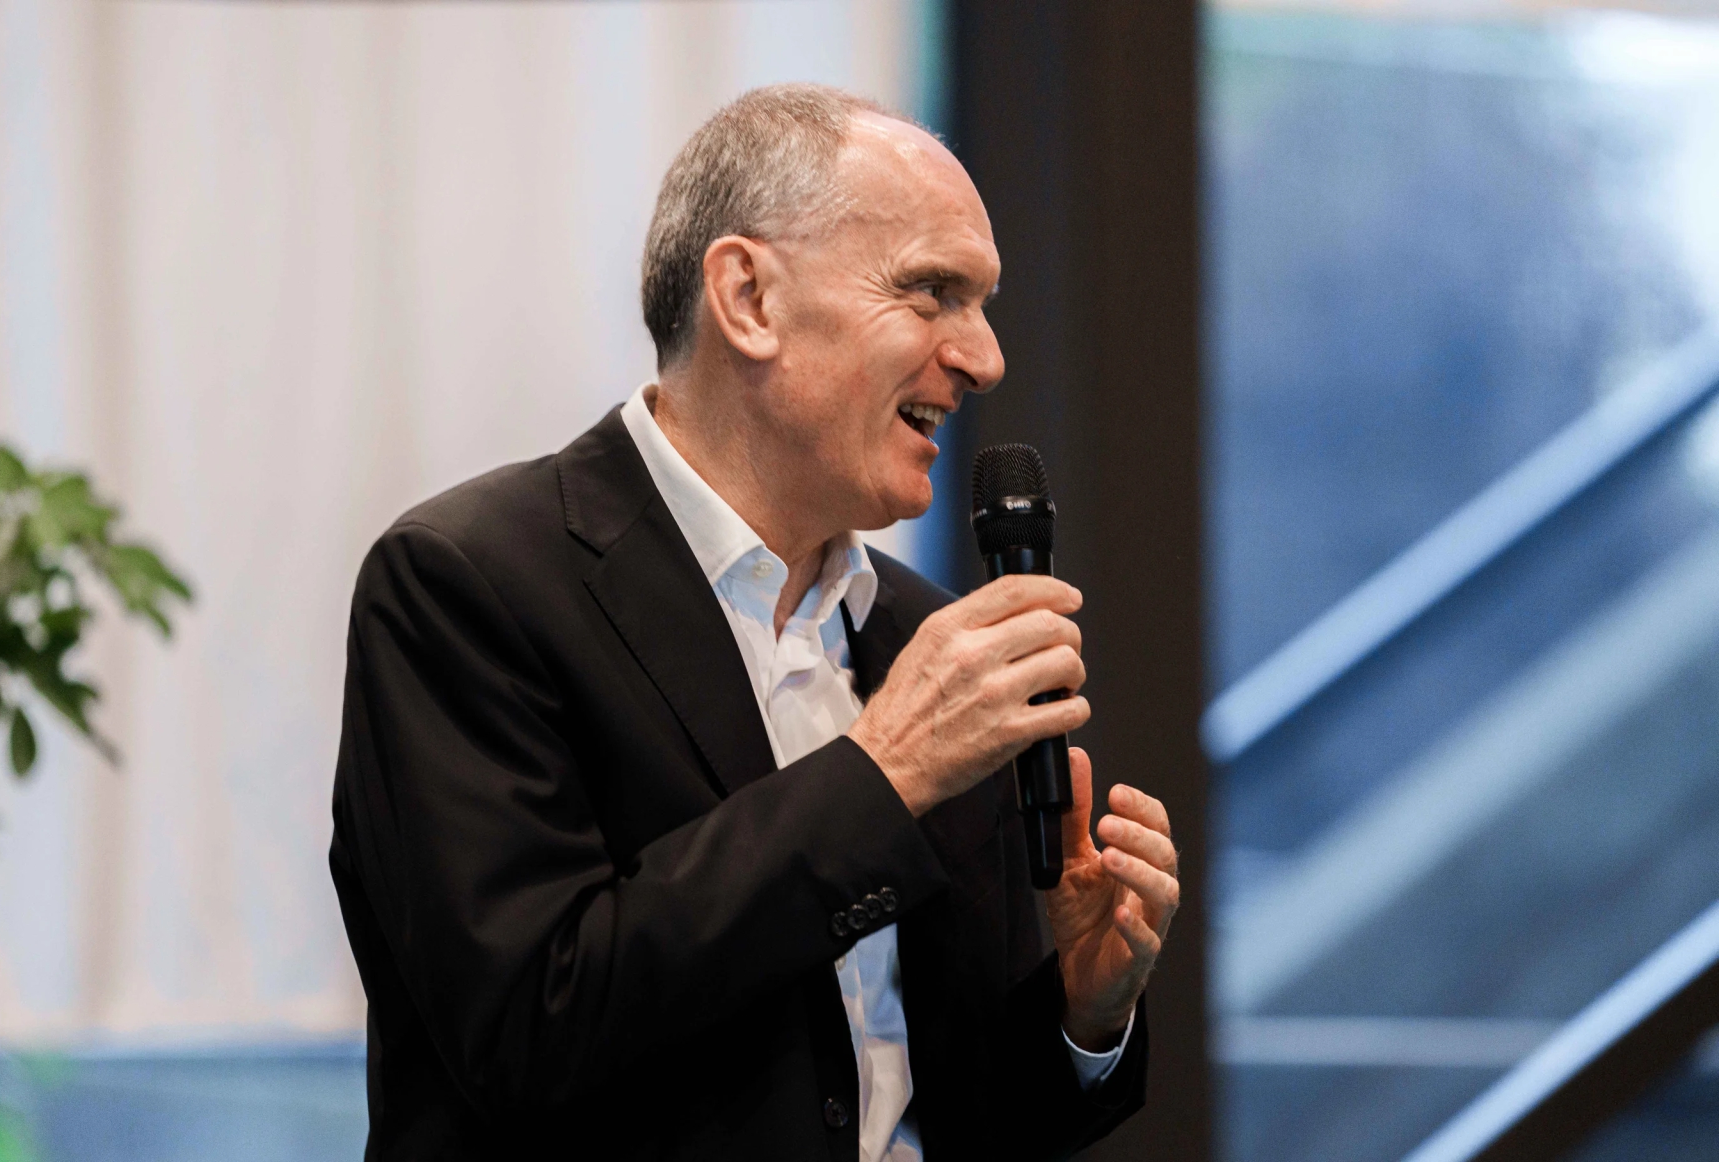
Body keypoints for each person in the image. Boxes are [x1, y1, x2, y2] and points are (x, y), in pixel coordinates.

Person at [330, 83, 1181, 1162]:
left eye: (983, 304)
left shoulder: (919, 638)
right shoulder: (468, 585)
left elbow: (956, 1109)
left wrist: (1083, 1014)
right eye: (932, 292)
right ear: (749, 298)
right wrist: (886, 772)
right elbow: (527, 1030)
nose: (984, 357)